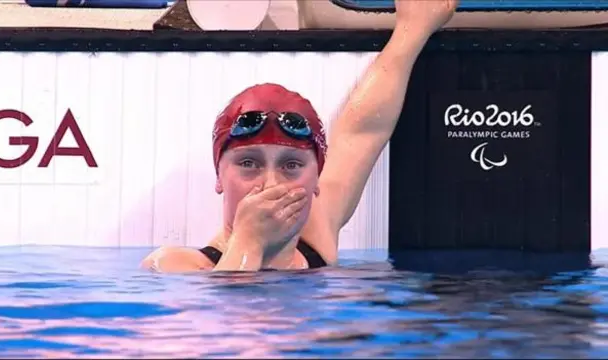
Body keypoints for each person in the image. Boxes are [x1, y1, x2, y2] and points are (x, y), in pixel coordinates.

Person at [141, 0, 459, 272]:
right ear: (219, 174)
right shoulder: (173, 266)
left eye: (291, 165)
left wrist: (411, 30)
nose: (272, 184)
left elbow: (362, 130)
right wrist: (249, 241)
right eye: (249, 163)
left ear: (316, 178)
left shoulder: (317, 233)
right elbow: (230, 335)